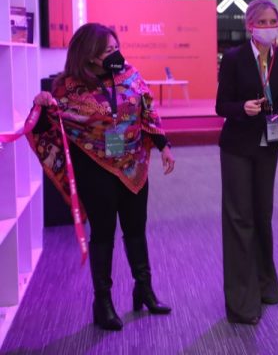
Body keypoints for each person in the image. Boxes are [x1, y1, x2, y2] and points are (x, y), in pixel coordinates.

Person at [29, 23, 174, 331]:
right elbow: (47, 127)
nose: (115, 54)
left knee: (136, 228)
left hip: (133, 165)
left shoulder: (130, 75)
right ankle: (103, 303)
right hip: (94, 168)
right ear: (89, 54)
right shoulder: (67, 87)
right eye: (108, 50)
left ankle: (144, 289)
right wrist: (40, 106)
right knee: (104, 233)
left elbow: (147, 111)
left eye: (116, 47)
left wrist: (164, 146)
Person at [216, 0, 278, 325]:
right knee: (239, 218)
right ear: (250, 25)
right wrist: (242, 108)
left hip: (268, 145)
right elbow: (221, 105)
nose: (267, 27)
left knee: (263, 215)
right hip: (237, 145)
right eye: (261, 22)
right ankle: (241, 302)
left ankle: (265, 284)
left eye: (272, 21)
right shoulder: (234, 58)